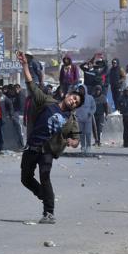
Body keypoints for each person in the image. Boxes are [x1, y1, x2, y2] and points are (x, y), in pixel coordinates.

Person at [18, 51, 84, 224]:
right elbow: (31, 85)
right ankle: (42, 194)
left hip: (47, 150)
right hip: (32, 146)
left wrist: (72, 142)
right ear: (67, 95)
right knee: (25, 178)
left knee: (45, 176)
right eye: (74, 98)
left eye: (76, 102)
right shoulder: (48, 102)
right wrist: (25, 65)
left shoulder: (71, 120)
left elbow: (77, 139)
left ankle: (49, 212)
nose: (73, 102)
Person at [76, 84, 96, 154]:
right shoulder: (77, 97)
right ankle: (83, 146)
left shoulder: (90, 98)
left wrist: (91, 112)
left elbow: (94, 107)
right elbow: (73, 107)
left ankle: (88, 146)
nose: (81, 90)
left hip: (88, 119)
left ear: (85, 90)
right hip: (79, 118)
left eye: (82, 89)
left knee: (88, 133)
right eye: (80, 89)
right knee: (81, 134)